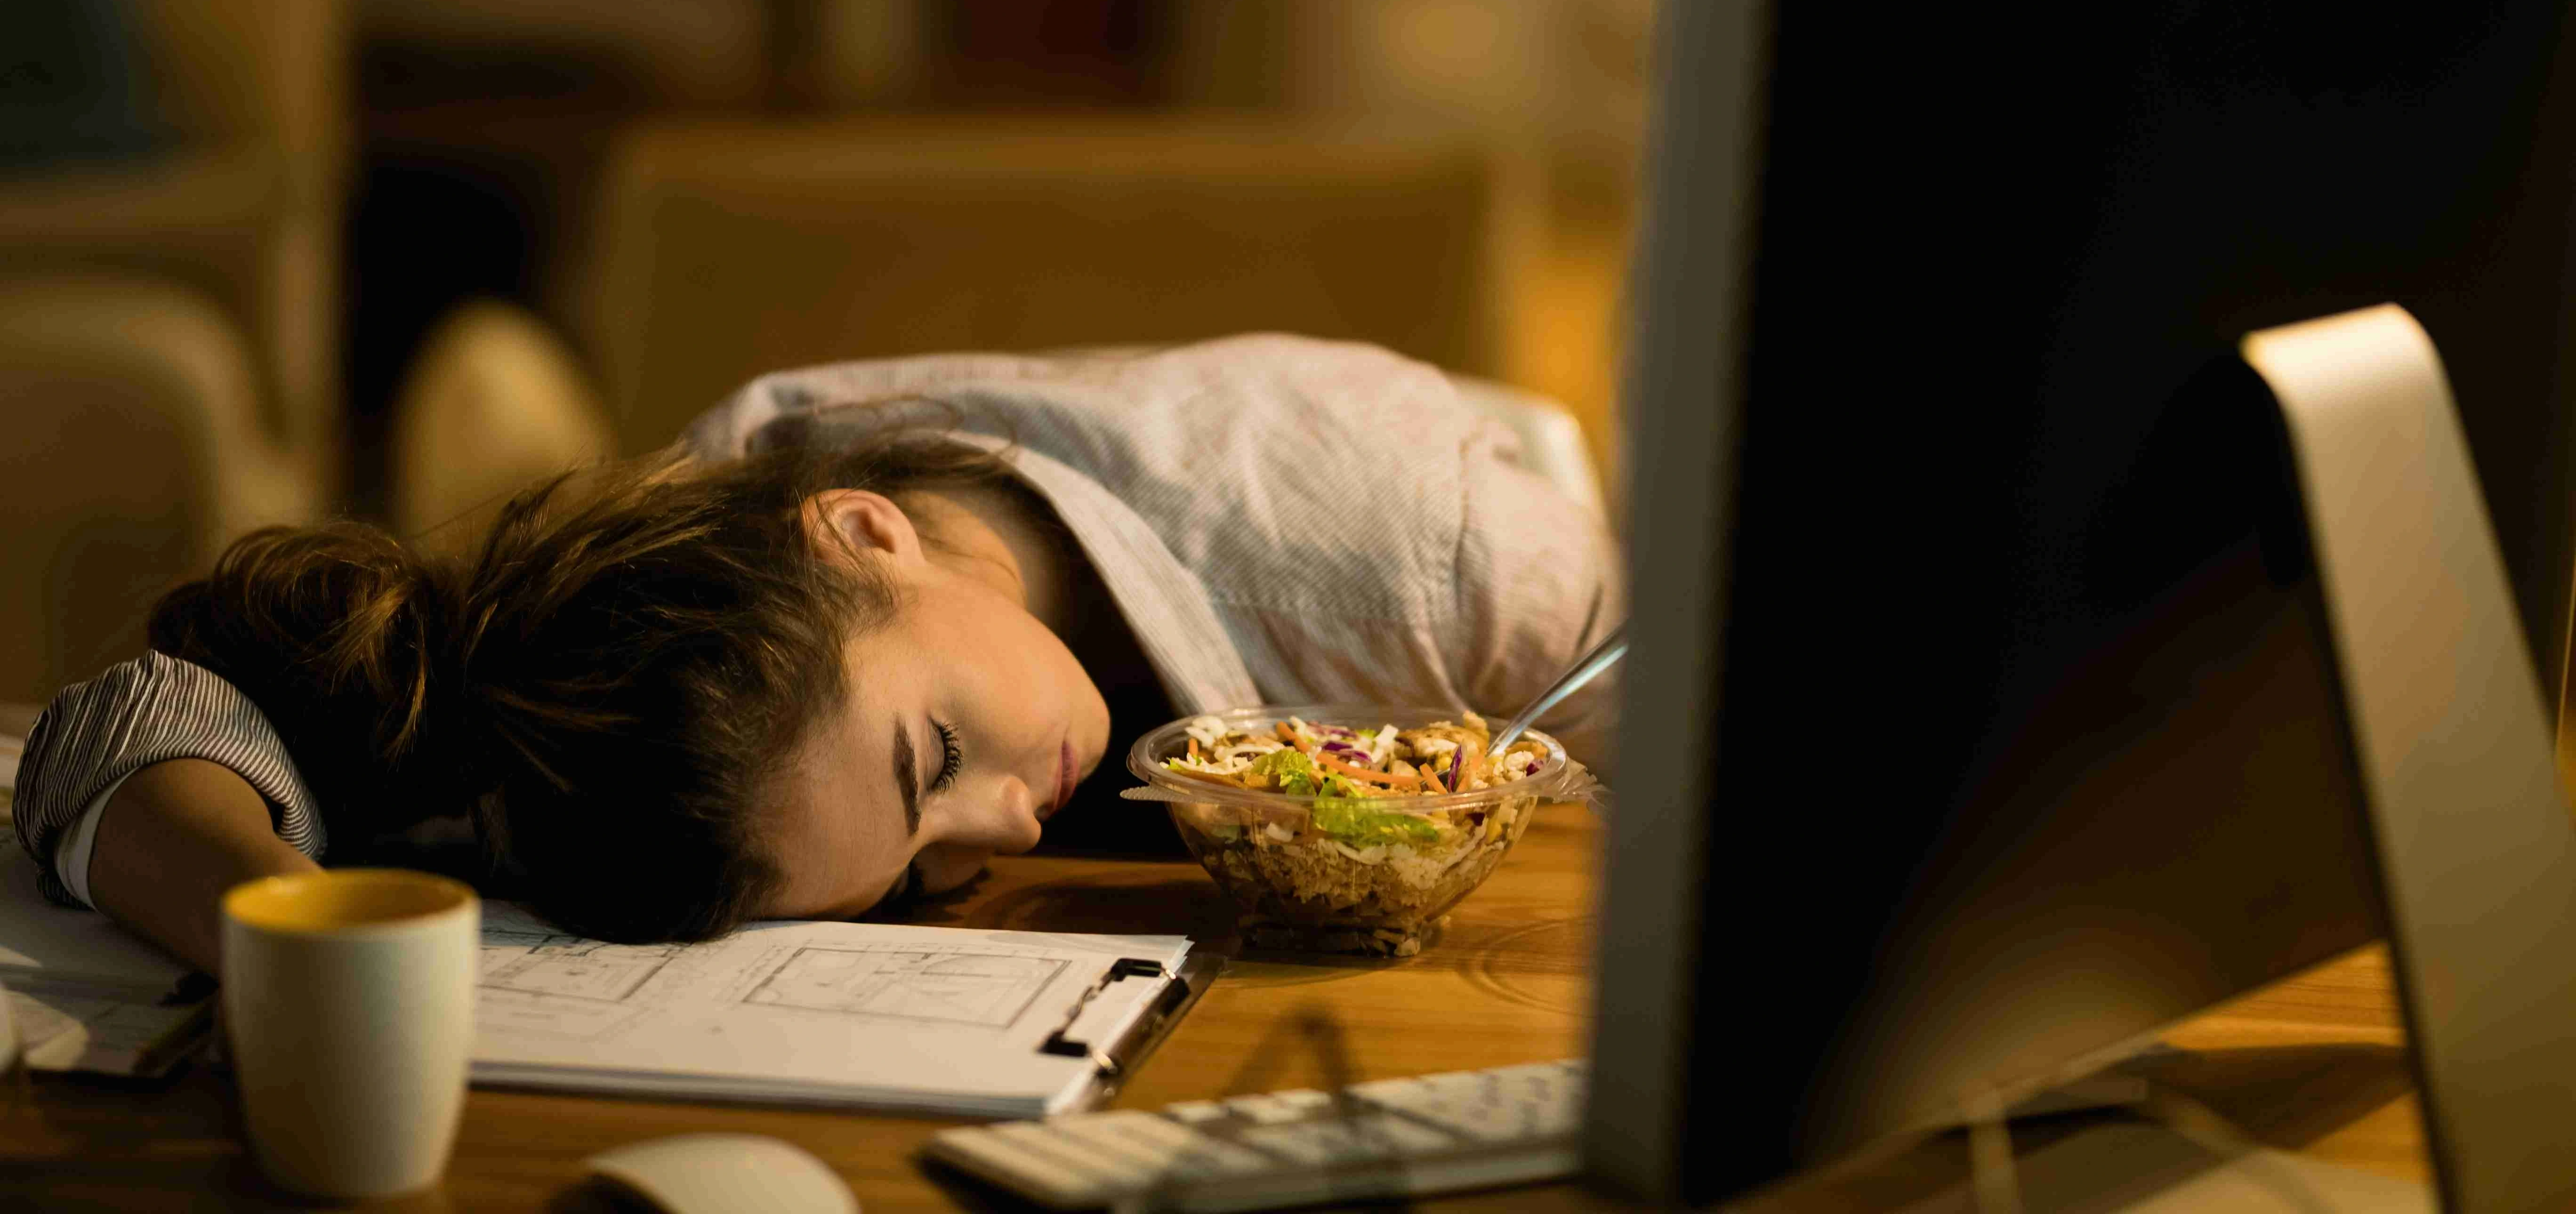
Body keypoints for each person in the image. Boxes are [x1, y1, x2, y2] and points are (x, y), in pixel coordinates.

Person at [11, 335, 1621, 973]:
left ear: (861, 535)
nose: (1005, 829)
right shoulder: (656, 635)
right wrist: (272, 935)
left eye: (930, 764)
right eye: (920, 851)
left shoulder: (1405, 558)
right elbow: (144, 714)